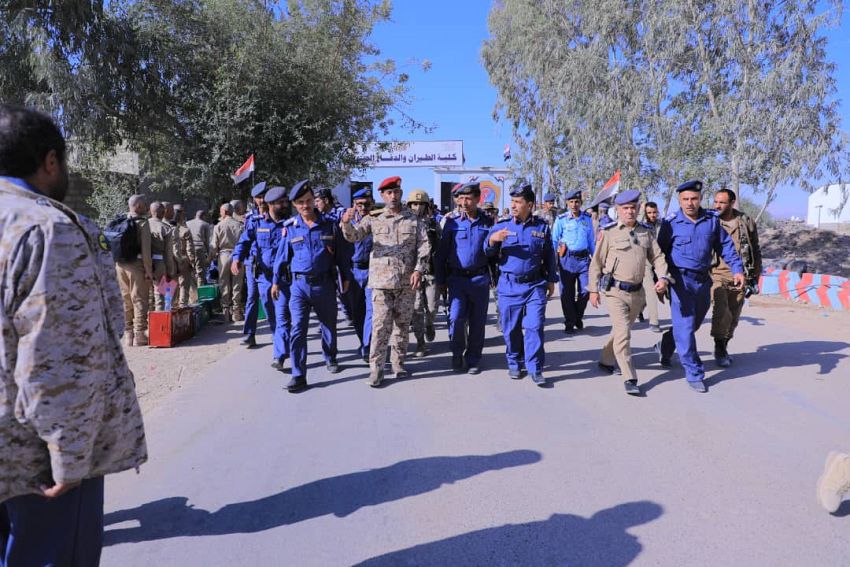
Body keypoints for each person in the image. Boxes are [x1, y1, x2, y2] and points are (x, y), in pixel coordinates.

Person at [0, 103, 147, 567]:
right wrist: (69, 455)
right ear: (50, 161)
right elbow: (60, 358)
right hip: (35, 459)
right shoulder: (47, 228)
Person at [655, 180, 744, 393]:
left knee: (693, 324)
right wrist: (660, 279)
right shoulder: (671, 223)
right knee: (685, 327)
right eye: (685, 199)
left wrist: (737, 269)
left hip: (703, 280)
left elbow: (725, 246)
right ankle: (694, 372)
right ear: (679, 201)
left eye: (694, 199)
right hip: (679, 281)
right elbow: (659, 254)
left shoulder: (711, 221)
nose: (690, 203)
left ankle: (665, 345)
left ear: (700, 199)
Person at [341, 176, 430, 387]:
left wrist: (418, 270)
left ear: (400, 192)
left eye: (396, 192)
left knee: (401, 326)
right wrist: (345, 222)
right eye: (388, 193)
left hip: (406, 283)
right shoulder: (374, 218)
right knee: (380, 327)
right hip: (381, 284)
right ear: (382, 195)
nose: (393, 196)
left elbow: (424, 247)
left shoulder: (413, 220)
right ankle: (376, 370)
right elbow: (354, 236)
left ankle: (398, 363)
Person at [588, 190, 672, 395]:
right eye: (625, 208)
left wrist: (662, 277)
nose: (629, 212)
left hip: (637, 293)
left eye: (633, 208)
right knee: (624, 334)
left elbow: (658, 257)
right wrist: (592, 290)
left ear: (638, 209)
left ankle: (606, 360)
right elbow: (596, 264)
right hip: (615, 291)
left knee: (620, 331)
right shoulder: (609, 233)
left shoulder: (645, 232)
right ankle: (630, 377)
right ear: (618, 210)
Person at [273, 180, 350, 392]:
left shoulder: (329, 225)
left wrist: (345, 276)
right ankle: (298, 374)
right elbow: (281, 259)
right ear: (295, 205)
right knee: (298, 329)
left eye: (308, 201)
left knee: (328, 324)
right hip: (298, 286)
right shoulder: (290, 228)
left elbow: (342, 255)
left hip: (324, 284)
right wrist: (275, 282)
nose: (305, 206)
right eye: (300, 202)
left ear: (314, 202)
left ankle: (330, 357)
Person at [485, 184, 558, 386]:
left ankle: (535, 367)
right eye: (513, 202)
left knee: (535, 326)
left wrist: (552, 279)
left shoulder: (541, 227)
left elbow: (549, 255)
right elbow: (487, 252)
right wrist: (493, 240)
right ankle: (515, 361)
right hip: (509, 286)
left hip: (535, 285)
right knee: (511, 329)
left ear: (530, 204)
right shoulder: (502, 225)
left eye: (518, 202)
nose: (514, 206)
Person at [435, 182, 495, 374]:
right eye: (461, 198)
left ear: (478, 199)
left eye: (468, 198)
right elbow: (441, 254)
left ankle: (474, 359)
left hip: (479, 279)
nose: (464, 202)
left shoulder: (488, 221)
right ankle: (456, 353)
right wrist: (440, 281)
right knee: (456, 317)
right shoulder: (452, 223)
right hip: (457, 280)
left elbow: (494, 253)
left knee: (478, 321)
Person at [233, 185, 291, 369]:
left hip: (284, 278)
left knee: (282, 316)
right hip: (263, 278)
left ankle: (279, 355)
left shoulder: (290, 224)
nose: (284, 205)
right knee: (272, 315)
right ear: (271, 204)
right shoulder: (258, 223)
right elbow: (244, 241)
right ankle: (280, 345)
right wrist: (237, 258)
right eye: (280, 203)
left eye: (284, 202)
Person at [710, 188, 762, 367]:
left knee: (733, 316)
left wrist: (756, 274)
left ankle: (723, 345)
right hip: (716, 274)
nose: (717, 205)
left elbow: (755, 249)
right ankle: (719, 347)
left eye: (722, 202)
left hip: (741, 275)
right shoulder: (710, 221)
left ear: (732, 203)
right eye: (715, 201)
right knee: (721, 311)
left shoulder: (745, 222)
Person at [552, 189, 595, 334]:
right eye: (571, 202)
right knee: (566, 293)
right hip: (567, 259)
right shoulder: (561, 219)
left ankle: (578, 316)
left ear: (581, 203)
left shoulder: (587, 219)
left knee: (585, 291)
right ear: (567, 203)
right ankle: (570, 321)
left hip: (584, 260)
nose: (574, 204)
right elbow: (554, 239)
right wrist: (552, 260)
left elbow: (591, 241)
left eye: (577, 202)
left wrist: (595, 260)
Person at [114, 194, 153, 346]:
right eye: (144, 204)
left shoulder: (121, 220)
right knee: (139, 299)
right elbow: (146, 251)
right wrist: (148, 271)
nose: (146, 206)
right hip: (136, 265)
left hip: (120, 265)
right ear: (137, 206)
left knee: (125, 300)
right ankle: (140, 335)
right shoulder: (143, 223)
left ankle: (128, 336)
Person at [407, 189, 439, 356]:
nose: (417, 207)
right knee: (416, 308)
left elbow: (440, 248)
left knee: (432, 307)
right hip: (413, 274)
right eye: (414, 203)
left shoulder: (434, 224)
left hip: (431, 272)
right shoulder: (405, 224)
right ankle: (420, 343)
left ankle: (430, 324)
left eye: (421, 204)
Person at [347, 187, 375, 362]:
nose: (363, 208)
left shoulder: (378, 221)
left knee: (372, 312)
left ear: (371, 204)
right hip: (353, 271)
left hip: (373, 271)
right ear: (354, 205)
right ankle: (363, 341)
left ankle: (368, 347)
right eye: (359, 204)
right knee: (357, 313)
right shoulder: (346, 222)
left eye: (366, 204)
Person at [239, 182, 269, 341]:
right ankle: (250, 333)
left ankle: (279, 332)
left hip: (269, 264)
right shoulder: (250, 217)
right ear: (254, 199)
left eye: (263, 196)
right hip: (252, 262)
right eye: (258, 197)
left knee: (269, 299)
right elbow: (245, 240)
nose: (262, 200)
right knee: (252, 297)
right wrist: (239, 258)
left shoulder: (274, 214)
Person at [210, 202, 244, 322]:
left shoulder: (218, 226)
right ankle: (236, 312)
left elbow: (214, 245)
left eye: (220, 211)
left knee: (224, 283)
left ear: (224, 212)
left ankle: (226, 312)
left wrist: (209, 258)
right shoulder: (240, 225)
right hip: (237, 256)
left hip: (223, 255)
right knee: (237, 283)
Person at [638, 201, 663, 332]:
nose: (652, 215)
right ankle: (654, 322)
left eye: (654, 212)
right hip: (645, 260)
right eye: (649, 212)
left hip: (659, 259)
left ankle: (638, 309)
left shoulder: (662, 224)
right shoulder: (641, 225)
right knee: (650, 290)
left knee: (659, 289)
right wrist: (642, 210)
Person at [148, 200, 176, 310]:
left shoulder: (144, 225)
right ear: (163, 212)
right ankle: (161, 320)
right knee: (160, 293)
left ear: (150, 211)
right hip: (159, 262)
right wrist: (171, 271)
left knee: (146, 295)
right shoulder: (165, 228)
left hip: (142, 262)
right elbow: (168, 253)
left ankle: (147, 322)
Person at [172, 204, 197, 307]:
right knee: (184, 287)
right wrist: (192, 262)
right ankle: (183, 309)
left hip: (169, 260)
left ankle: (169, 308)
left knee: (169, 287)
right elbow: (190, 249)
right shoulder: (184, 230)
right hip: (183, 260)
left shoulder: (166, 227)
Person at [187, 209, 212, 286]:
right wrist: (209, 254)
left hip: (188, 248)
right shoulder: (205, 224)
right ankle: (200, 292)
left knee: (190, 271)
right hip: (199, 248)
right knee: (201, 272)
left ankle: (192, 294)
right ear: (203, 216)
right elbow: (207, 241)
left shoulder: (187, 223)